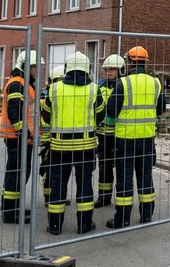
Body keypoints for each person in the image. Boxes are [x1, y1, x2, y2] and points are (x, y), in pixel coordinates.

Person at [41, 51, 104, 235]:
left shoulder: (54, 89)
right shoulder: (93, 89)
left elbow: (45, 114)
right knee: (84, 184)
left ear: (67, 68)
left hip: (60, 147)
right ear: (87, 69)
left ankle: (55, 227)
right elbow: (100, 114)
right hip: (86, 147)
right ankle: (84, 226)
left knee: (58, 184)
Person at [106, 46, 166, 228]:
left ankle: (122, 219)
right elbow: (161, 108)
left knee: (124, 178)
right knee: (145, 176)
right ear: (145, 62)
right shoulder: (155, 82)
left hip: (125, 139)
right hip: (147, 138)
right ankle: (146, 216)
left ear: (130, 62)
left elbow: (111, 110)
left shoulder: (123, 83)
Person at [0, 49, 43, 224]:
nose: (37, 69)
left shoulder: (24, 82)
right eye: (34, 66)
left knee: (18, 174)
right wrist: (24, 135)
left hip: (21, 137)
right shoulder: (18, 84)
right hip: (18, 138)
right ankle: (10, 213)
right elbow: (15, 113)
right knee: (16, 174)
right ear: (25, 66)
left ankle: (12, 207)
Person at [94, 54, 125, 208]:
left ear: (120, 70)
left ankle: (121, 197)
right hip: (102, 134)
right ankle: (104, 197)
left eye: (112, 69)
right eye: (107, 69)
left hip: (118, 134)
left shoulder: (123, 85)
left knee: (120, 166)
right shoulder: (100, 85)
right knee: (104, 166)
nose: (109, 72)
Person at [39, 65, 65, 205]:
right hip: (51, 139)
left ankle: (51, 196)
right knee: (51, 169)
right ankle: (50, 197)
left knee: (51, 168)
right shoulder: (50, 96)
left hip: (49, 138)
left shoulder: (46, 94)